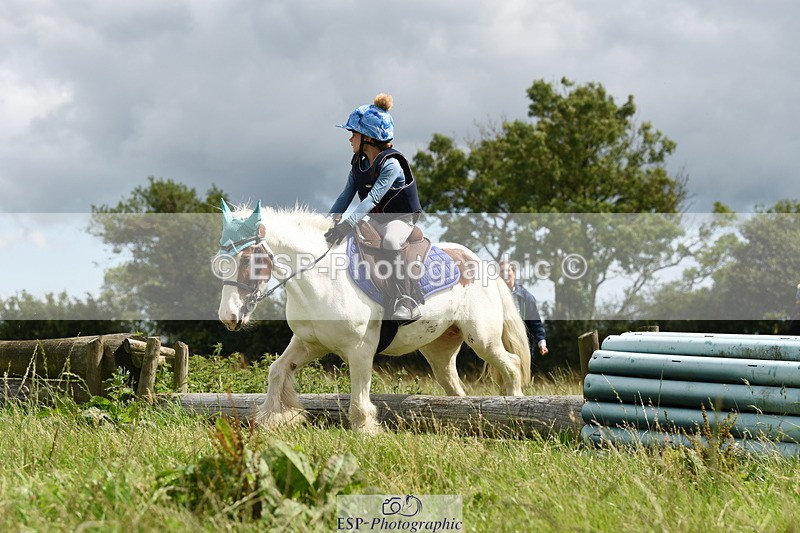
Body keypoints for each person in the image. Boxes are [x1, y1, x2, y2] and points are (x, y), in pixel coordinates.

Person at [325, 93, 423, 322]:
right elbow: (345, 196)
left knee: (390, 241)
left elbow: (371, 199)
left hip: (401, 220)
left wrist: (348, 223)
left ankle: (406, 300)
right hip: (377, 220)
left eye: (353, 134)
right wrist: (329, 221)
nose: (350, 139)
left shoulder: (392, 165)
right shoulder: (358, 163)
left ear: (368, 138)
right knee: (350, 241)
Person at [499, 261, 549, 369]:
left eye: (508, 270)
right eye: (502, 271)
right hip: (502, 342)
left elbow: (535, 321)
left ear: (514, 273)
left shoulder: (526, 296)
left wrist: (541, 343)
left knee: (521, 370)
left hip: (522, 341)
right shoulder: (495, 296)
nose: (505, 274)